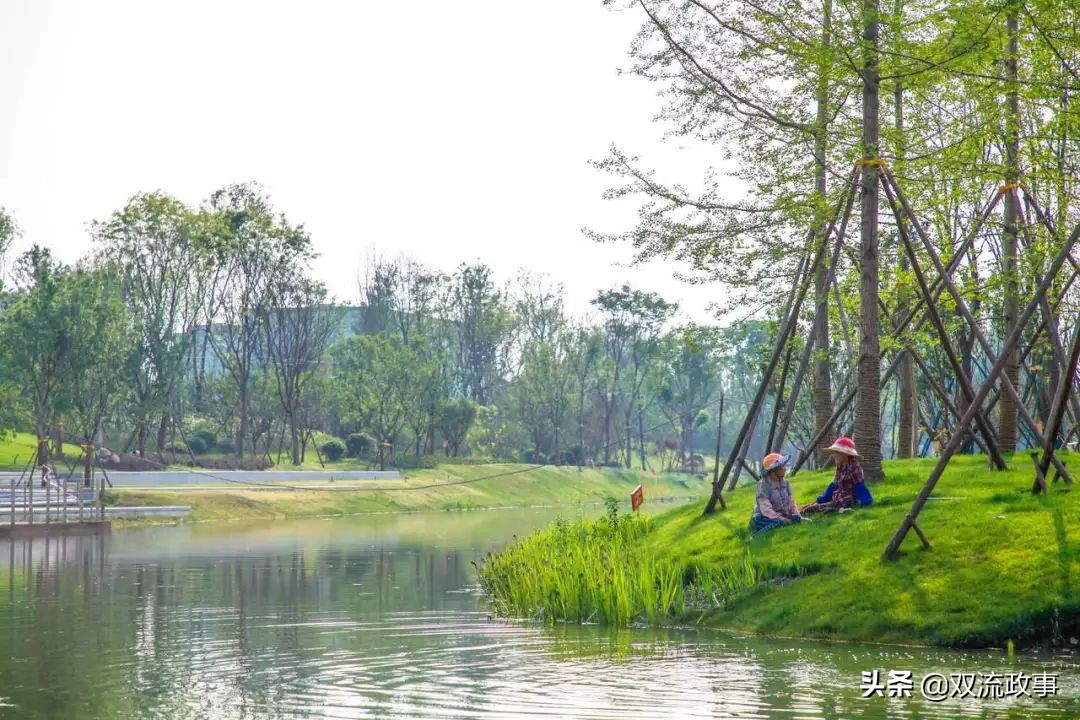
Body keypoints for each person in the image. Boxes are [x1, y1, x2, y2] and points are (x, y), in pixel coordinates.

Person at [801, 436, 873, 514]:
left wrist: (865, 501)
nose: (833, 455)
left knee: (818, 507)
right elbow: (834, 486)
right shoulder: (840, 467)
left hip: (848, 499)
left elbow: (860, 487)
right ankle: (819, 506)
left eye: (836, 453)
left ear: (845, 454)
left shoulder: (855, 468)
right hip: (837, 497)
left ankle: (828, 508)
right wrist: (820, 501)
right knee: (813, 506)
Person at [749, 452, 804, 536]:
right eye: (782, 466)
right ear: (774, 469)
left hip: (781, 515)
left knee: (796, 519)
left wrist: (797, 515)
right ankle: (755, 536)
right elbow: (766, 509)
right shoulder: (763, 484)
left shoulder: (785, 483)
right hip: (763, 517)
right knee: (779, 523)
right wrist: (782, 519)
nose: (785, 469)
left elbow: (791, 503)